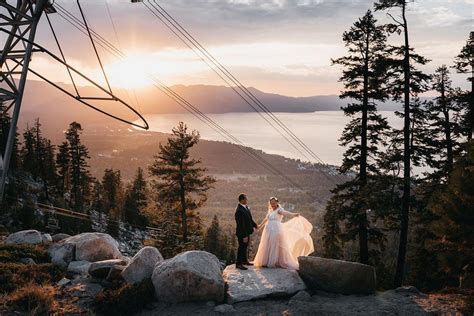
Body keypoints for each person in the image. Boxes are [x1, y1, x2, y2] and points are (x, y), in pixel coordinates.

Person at [254, 196, 314, 270]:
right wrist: (260, 226)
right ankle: (265, 261)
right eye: (271, 203)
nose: (273, 204)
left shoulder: (279, 210)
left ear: (277, 203)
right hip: (268, 230)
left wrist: (293, 214)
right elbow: (266, 219)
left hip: (276, 230)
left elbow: (285, 213)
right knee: (267, 244)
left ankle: (273, 262)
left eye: (274, 203)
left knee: (274, 245)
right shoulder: (270, 210)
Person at [234, 193, 258, 270]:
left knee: (245, 247)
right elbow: (241, 224)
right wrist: (244, 235)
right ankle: (238, 263)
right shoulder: (239, 210)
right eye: (246, 199)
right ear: (242, 200)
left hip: (247, 231)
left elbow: (249, 219)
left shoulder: (246, 207)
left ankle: (244, 261)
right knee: (241, 247)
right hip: (242, 233)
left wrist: (255, 225)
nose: (247, 200)